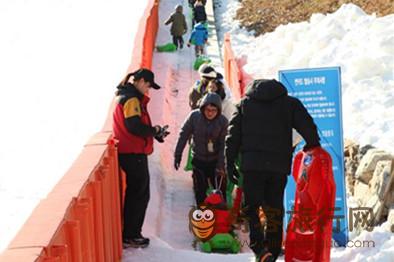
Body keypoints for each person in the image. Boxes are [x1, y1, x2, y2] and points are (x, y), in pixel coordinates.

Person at [225, 79, 320, 261]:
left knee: (251, 208)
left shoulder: (244, 104)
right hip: (278, 166)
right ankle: (273, 252)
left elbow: (232, 136)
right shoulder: (290, 103)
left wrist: (229, 163)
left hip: (252, 167)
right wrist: (312, 144)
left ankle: (260, 249)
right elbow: (308, 126)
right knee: (274, 209)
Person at [113, 68, 170, 248]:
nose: (148, 90)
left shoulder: (128, 96)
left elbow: (137, 125)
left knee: (137, 193)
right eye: (147, 85)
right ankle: (131, 234)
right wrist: (153, 131)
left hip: (131, 151)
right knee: (139, 195)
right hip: (133, 153)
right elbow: (134, 126)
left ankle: (131, 233)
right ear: (140, 81)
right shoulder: (131, 99)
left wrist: (155, 133)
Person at [174, 93, 228, 205]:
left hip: (215, 162)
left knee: (220, 192)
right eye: (208, 110)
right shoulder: (194, 117)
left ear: (218, 110)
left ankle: (221, 218)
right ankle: (203, 217)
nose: (210, 113)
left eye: (214, 110)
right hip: (199, 160)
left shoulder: (222, 122)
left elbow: (224, 144)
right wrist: (177, 154)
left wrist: (221, 164)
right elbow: (183, 134)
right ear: (203, 108)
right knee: (200, 191)